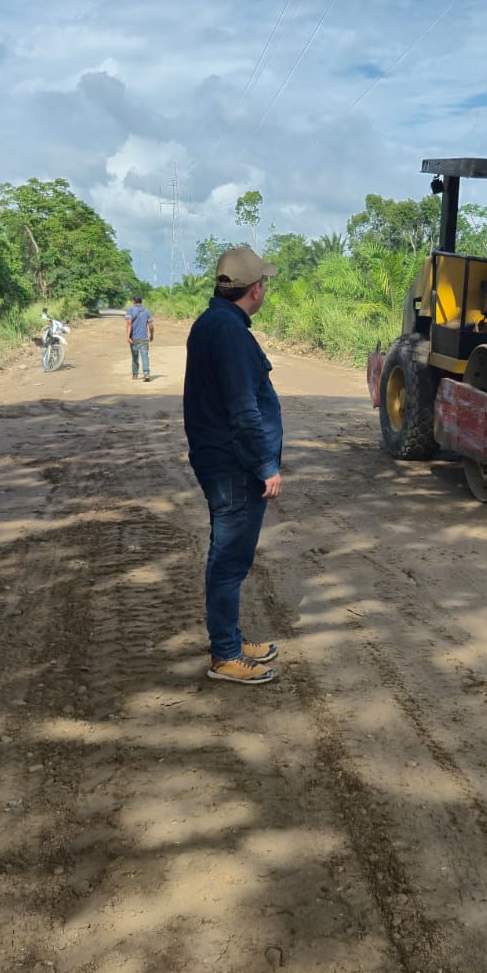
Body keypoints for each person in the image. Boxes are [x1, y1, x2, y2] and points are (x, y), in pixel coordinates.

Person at [182, 246, 284, 685]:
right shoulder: (228, 332)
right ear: (255, 289)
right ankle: (225, 655)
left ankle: (230, 640)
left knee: (228, 556)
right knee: (229, 560)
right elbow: (244, 409)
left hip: (221, 460)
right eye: (264, 282)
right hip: (233, 466)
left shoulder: (214, 323)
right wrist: (265, 465)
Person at [124, 294, 155, 381]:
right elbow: (151, 326)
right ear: (141, 301)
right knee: (145, 356)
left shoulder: (130, 310)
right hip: (144, 338)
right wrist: (151, 335)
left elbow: (129, 324)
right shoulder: (147, 311)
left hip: (134, 338)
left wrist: (128, 336)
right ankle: (146, 374)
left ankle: (135, 374)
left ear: (133, 301)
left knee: (135, 356)